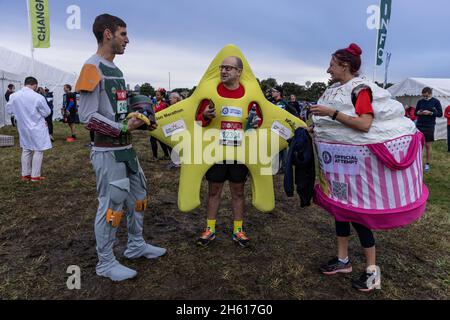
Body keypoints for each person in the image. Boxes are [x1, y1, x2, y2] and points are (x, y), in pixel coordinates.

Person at [310, 43, 425, 292]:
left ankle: (372, 271)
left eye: (331, 64)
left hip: (358, 166)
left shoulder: (361, 90)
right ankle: (343, 260)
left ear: (345, 65)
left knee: (359, 216)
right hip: (337, 164)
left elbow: (364, 124)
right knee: (339, 211)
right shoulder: (334, 90)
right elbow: (337, 126)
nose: (327, 69)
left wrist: (331, 114)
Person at [76, 14, 166, 282]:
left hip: (125, 149)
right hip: (107, 151)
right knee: (112, 205)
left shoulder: (116, 69)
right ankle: (105, 262)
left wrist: (142, 118)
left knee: (139, 196)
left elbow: (120, 110)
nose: (127, 40)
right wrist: (125, 128)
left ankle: (136, 245)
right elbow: (87, 117)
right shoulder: (91, 67)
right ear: (107, 34)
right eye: (123, 34)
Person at [195, 56, 262, 248]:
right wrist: (205, 116)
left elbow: (257, 124)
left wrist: (254, 125)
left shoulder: (250, 95)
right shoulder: (210, 94)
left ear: (239, 72)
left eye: (229, 68)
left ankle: (238, 230)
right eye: (222, 68)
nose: (224, 71)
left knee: (238, 192)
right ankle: (210, 229)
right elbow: (197, 123)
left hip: (239, 153)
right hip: (215, 152)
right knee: (214, 191)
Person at [5, 77, 52, 182]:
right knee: (38, 150)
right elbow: (47, 112)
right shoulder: (38, 97)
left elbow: (9, 110)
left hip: (22, 126)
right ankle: (35, 176)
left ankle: (25, 174)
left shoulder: (14, 96)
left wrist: (19, 114)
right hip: (37, 125)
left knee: (26, 149)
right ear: (35, 85)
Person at [414, 87, 443, 172]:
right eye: (423, 96)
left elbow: (440, 114)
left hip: (429, 126)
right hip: (419, 125)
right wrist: (420, 112)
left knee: (427, 145)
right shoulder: (420, 101)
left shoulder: (436, 101)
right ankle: (417, 163)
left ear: (430, 93)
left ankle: (427, 164)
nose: (424, 97)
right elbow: (415, 112)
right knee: (419, 146)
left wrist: (430, 113)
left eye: (426, 95)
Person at [150, 88, 171, 160]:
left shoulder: (165, 104)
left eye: (158, 95)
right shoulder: (154, 104)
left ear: (162, 96)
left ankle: (166, 155)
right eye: (156, 95)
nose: (156, 96)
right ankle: (155, 156)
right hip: (154, 125)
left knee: (161, 141)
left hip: (162, 125)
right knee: (153, 140)